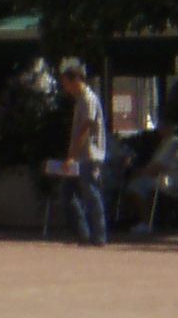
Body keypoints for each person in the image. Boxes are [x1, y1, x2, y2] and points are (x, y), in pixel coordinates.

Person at [56, 63, 108, 246]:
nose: (65, 88)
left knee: (90, 193)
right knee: (67, 191)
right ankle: (82, 233)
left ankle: (99, 236)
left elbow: (85, 127)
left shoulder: (88, 99)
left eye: (66, 83)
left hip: (89, 154)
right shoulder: (80, 100)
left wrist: (72, 155)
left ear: (76, 80)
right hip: (80, 156)